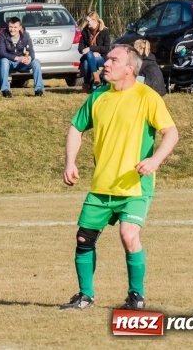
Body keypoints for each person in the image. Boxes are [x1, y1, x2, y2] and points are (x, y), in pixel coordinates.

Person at [61, 44, 178, 311]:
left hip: (134, 187)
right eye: (106, 58)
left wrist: (154, 160)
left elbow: (171, 133)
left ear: (129, 69)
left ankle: (136, 296)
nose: (105, 63)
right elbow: (76, 128)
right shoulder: (97, 97)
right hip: (101, 187)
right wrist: (70, 162)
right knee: (83, 239)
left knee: (128, 234)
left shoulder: (147, 97)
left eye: (113, 59)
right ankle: (85, 295)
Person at [0, 16, 45, 98]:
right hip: (6, 62)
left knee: (36, 62)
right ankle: (5, 90)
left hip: (21, 63)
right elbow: (2, 53)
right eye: (10, 27)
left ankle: (38, 90)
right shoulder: (2, 35)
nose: (12, 29)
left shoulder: (25, 36)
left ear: (20, 27)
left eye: (15, 27)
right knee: (4, 60)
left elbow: (31, 51)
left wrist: (30, 58)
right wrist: (17, 58)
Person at [78, 12, 111, 92]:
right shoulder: (85, 31)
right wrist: (91, 52)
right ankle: (96, 78)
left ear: (95, 20)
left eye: (88, 21)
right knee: (87, 60)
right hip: (90, 57)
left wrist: (91, 49)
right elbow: (80, 48)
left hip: (102, 57)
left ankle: (86, 85)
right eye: (87, 21)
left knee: (88, 58)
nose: (87, 23)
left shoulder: (104, 31)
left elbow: (106, 48)